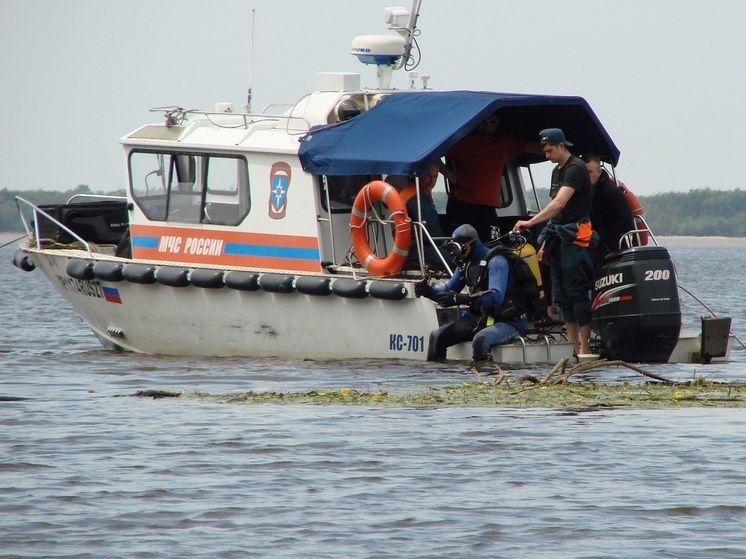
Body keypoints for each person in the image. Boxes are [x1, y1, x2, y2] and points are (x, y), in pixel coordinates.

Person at [513, 128, 598, 356]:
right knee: (562, 295)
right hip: (558, 237)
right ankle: (573, 346)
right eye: (545, 150)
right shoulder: (556, 172)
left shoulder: (575, 168)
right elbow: (554, 212)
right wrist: (545, 244)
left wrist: (530, 223)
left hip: (576, 237)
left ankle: (586, 346)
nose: (547, 155)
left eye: (550, 150)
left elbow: (560, 204)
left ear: (561, 146)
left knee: (578, 292)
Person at [414, 224, 529, 363]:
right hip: (483, 320)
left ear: (470, 245)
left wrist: (462, 298)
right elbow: (447, 292)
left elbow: (495, 297)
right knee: (437, 336)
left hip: (510, 322)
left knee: (480, 341)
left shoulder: (496, 262)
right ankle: (438, 379)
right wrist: (428, 291)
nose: (457, 253)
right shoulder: (465, 264)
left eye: (459, 248)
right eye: (453, 248)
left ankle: (484, 382)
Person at [439, 113, 529, 242]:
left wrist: (564, 151)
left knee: (492, 244)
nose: (487, 125)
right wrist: (450, 176)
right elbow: (431, 152)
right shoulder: (463, 141)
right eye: (483, 121)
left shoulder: (505, 142)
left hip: (487, 207)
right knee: (460, 245)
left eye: (492, 121)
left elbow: (536, 148)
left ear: (498, 123)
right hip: (461, 204)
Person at [391, 162, 454, 272]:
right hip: (414, 249)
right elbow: (432, 229)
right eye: (428, 175)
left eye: (435, 176)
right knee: (454, 261)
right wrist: (449, 245)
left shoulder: (417, 190)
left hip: (411, 246)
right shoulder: (416, 195)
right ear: (418, 174)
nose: (431, 181)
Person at [583, 153, 635, 266]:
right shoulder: (581, 193)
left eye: (590, 172)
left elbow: (627, 220)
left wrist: (601, 235)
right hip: (589, 242)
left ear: (599, 172)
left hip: (609, 244)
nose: (587, 176)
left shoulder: (611, 191)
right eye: (584, 172)